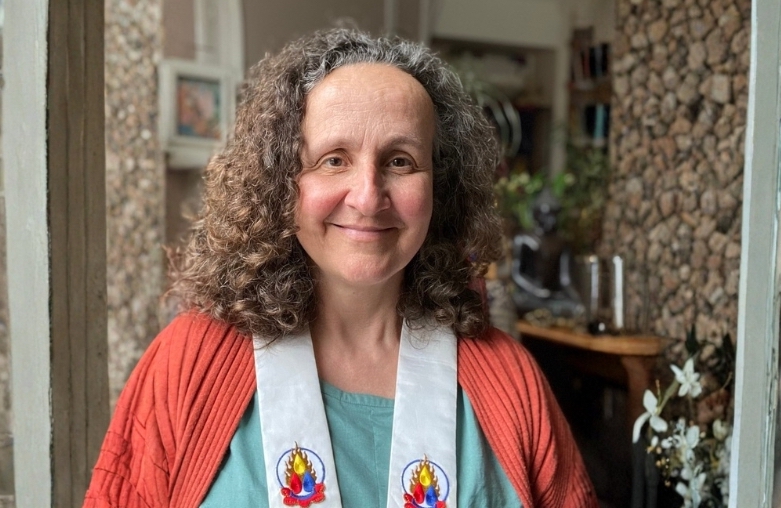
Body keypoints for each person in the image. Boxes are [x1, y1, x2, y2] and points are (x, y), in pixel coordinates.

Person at [84, 28, 597, 508]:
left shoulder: (511, 381)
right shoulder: (188, 364)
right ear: (282, 182)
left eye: (400, 161)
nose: (368, 197)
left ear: (440, 188)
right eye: (334, 159)